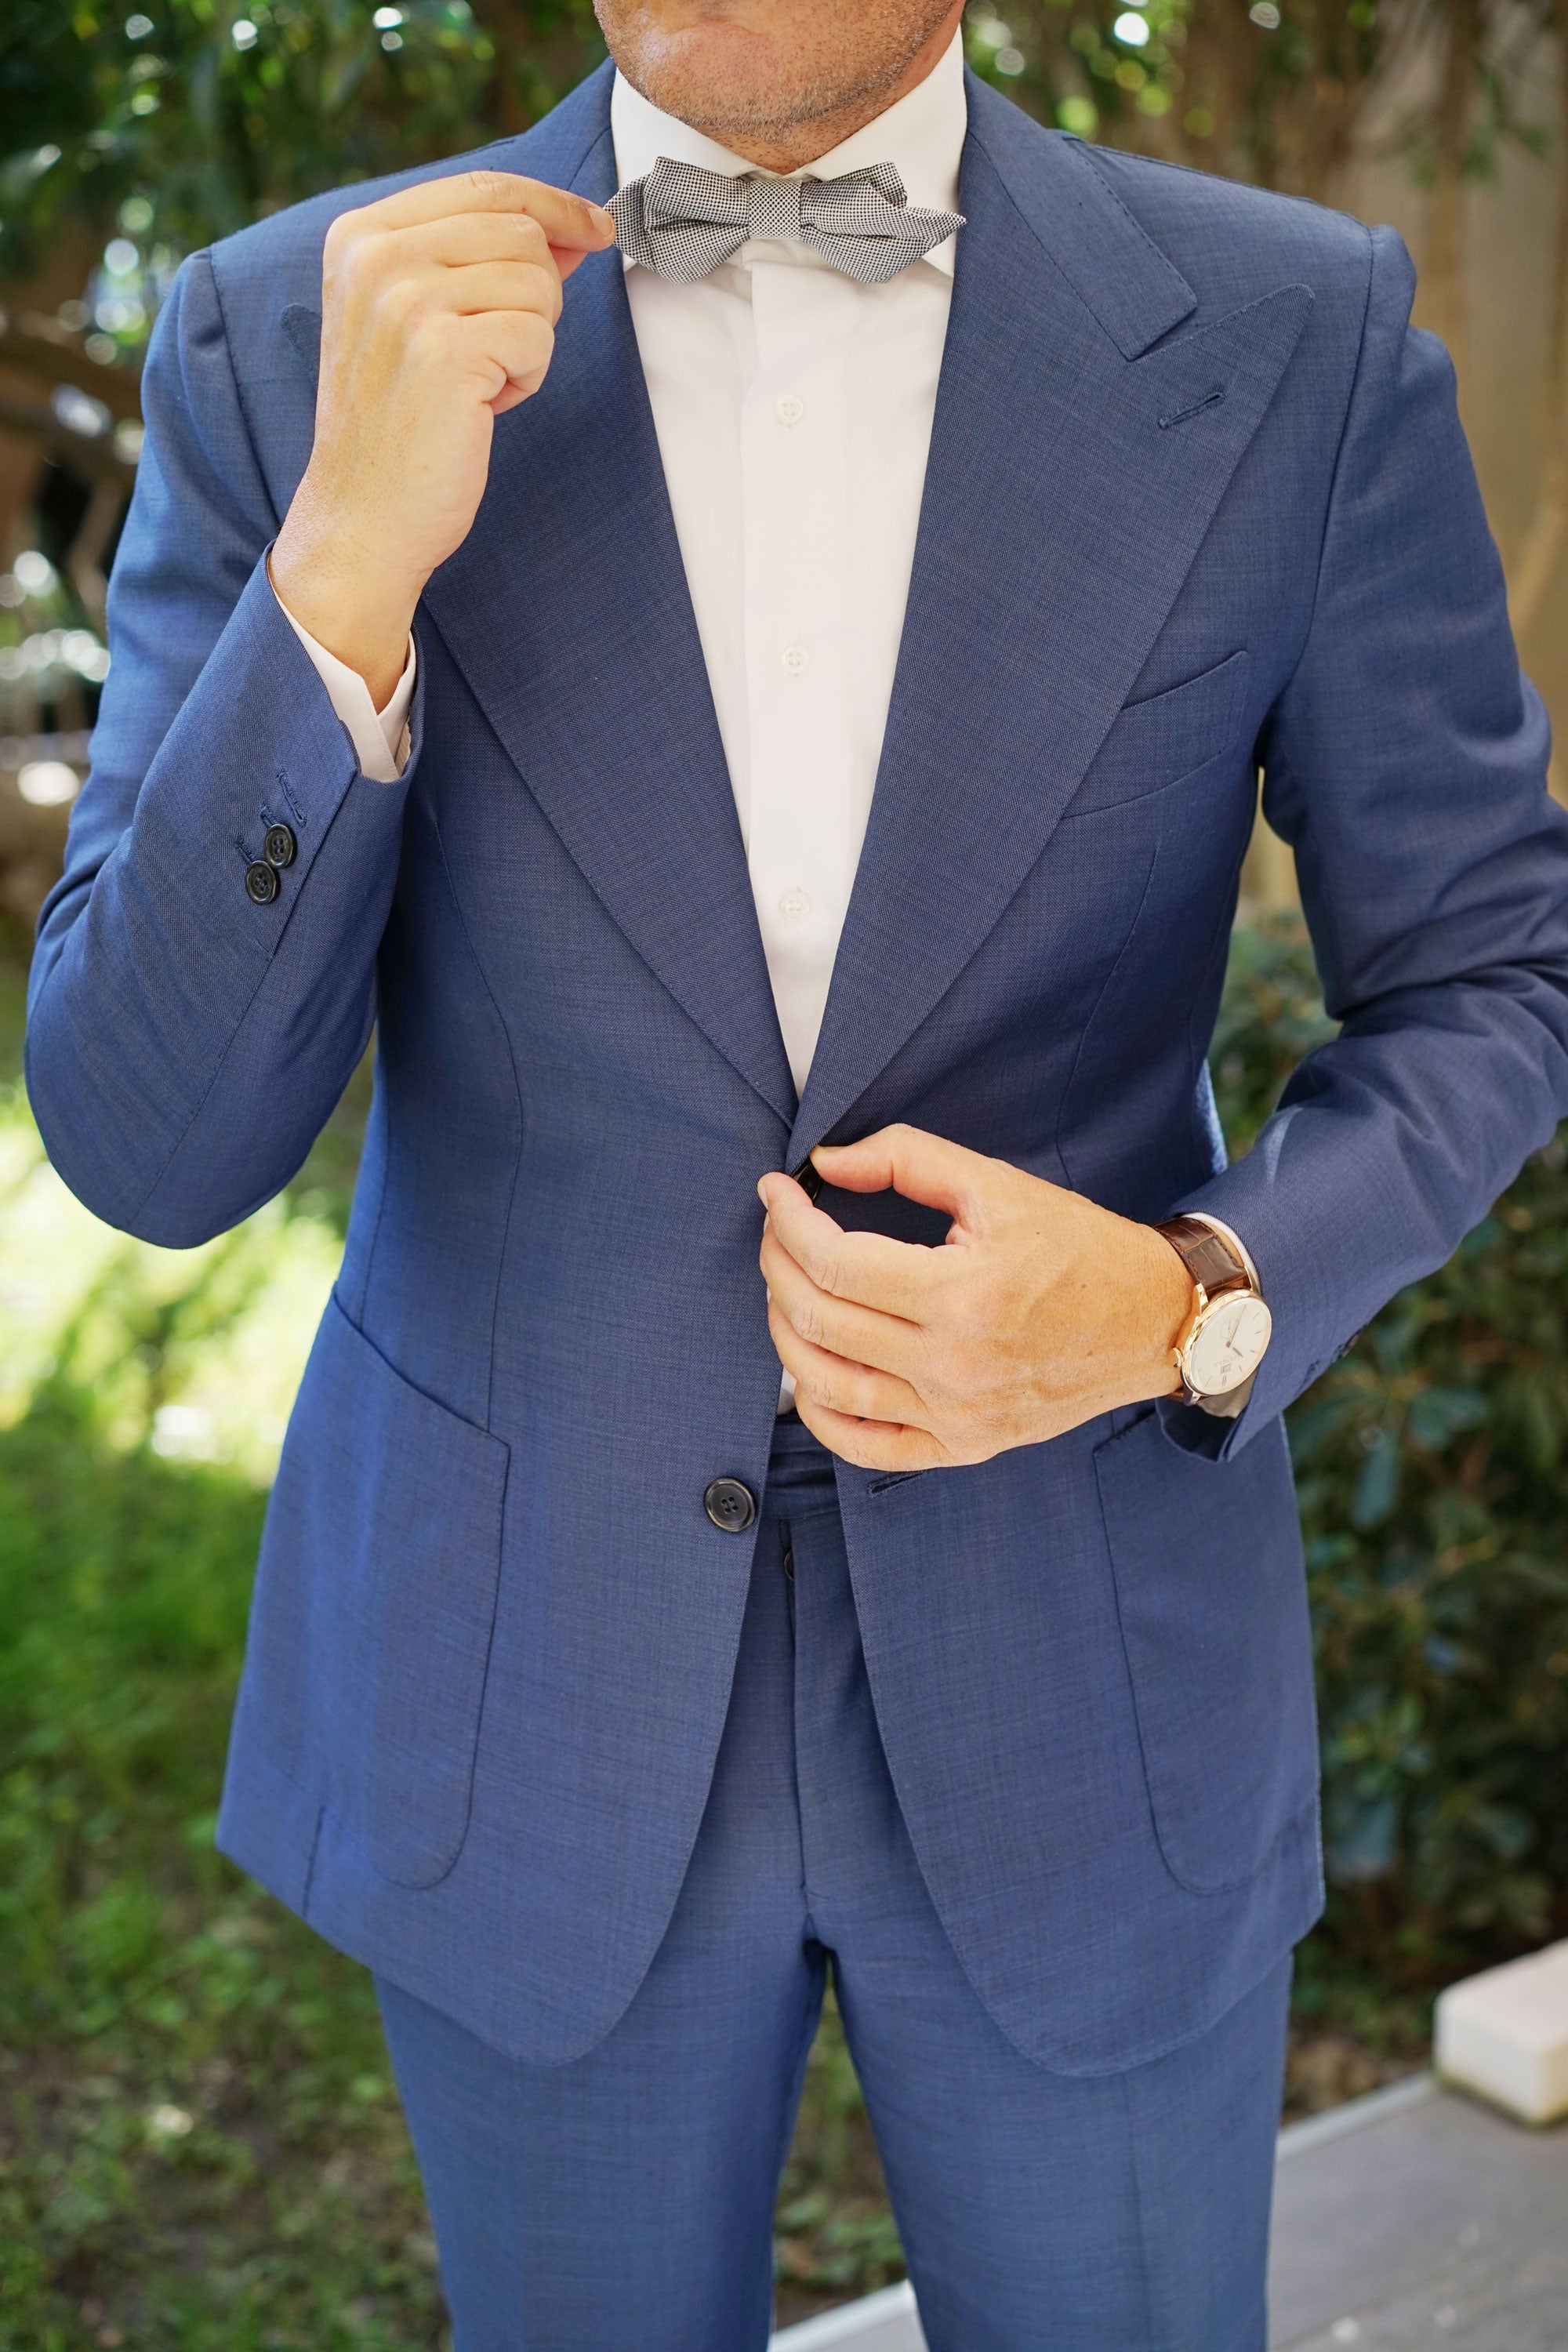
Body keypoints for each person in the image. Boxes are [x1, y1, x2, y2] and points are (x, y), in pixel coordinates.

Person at [25, 0, 1568, 2338]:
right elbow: (146, 1143)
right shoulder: (287, 335)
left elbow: (1494, 980)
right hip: (519, 1697)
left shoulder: (1292, 336)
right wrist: (339, 571)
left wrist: (1182, 1293)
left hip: (1091, 1674)